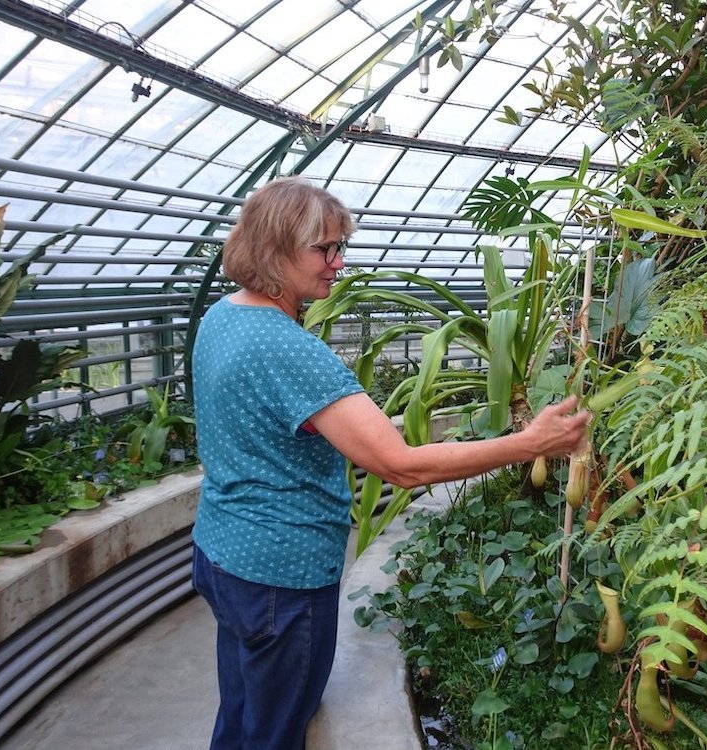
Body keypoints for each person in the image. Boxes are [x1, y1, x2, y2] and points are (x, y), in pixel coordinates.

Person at [189, 176, 590, 750]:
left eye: (339, 246)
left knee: (242, 713)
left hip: (223, 554)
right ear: (275, 251)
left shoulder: (222, 318)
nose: (338, 262)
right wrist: (531, 443)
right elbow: (401, 465)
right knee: (275, 731)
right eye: (324, 249)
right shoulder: (288, 349)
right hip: (281, 577)